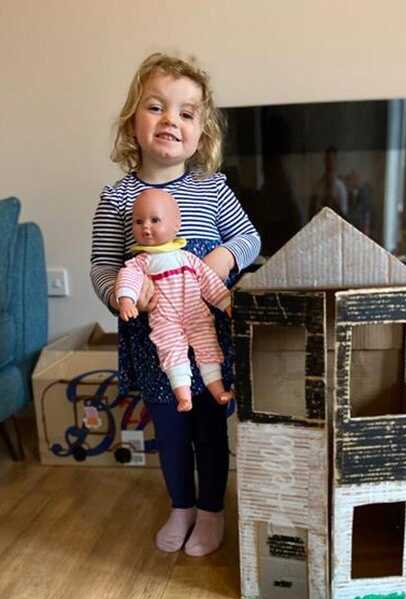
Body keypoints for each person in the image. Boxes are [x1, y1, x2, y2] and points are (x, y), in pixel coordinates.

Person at [90, 52, 261, 557]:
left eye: (186, 113)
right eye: (156, 107)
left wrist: (226, 256)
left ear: (201, 134)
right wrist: (121, 293)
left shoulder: (212, 189)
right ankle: (181, 506)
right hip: (154, 342)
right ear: (132, 122)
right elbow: (102, 265)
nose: (171, 120)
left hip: (207, 338)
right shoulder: (117, 199)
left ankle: (211, 511)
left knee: (209, 428)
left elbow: (250, 238)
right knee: (168, 431)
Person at [115, 188, 233, 413]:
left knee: (208, 346)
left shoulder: (187, 258)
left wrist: (226, 303)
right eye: (138, 222)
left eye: (155, 220)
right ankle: (183, 396)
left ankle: (218, 391)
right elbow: (127, 278)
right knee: (171, 352)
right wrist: (126, 300)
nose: (145, 227)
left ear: (176, 224)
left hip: (196, 314)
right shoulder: (140, 262)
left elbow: (209, 281)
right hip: (164, 319)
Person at [309, 146, 348, 219]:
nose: (330, 162)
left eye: (332, 159)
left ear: (336, 161)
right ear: (324, 161)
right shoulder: (318, 186)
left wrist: (334, 200)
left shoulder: (341, 187)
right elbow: (312, 211)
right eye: (328, 159)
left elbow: (344, 214)